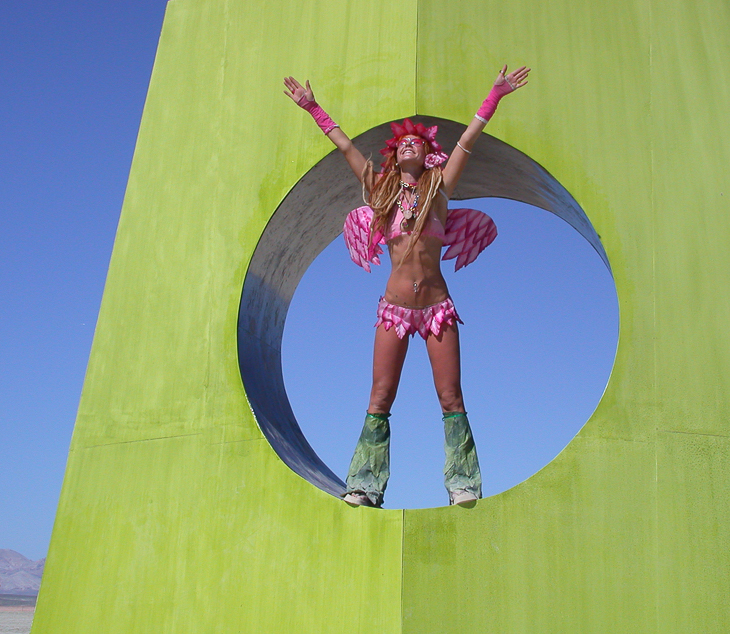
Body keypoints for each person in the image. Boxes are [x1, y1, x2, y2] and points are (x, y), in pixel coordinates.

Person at [283, 66, 530, 507]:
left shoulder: (439, 193)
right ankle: (365, 484)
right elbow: (345, 148)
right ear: (395, 158)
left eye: (418, 141)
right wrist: (313, 108)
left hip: (437, 308)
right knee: (380, 394)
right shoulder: (381, 195)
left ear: (428, 152)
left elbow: (468, 142)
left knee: (451, 395)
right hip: (394, 309)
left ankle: (463, 483)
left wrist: (494, 95)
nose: (410, 144)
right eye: (402, 144)